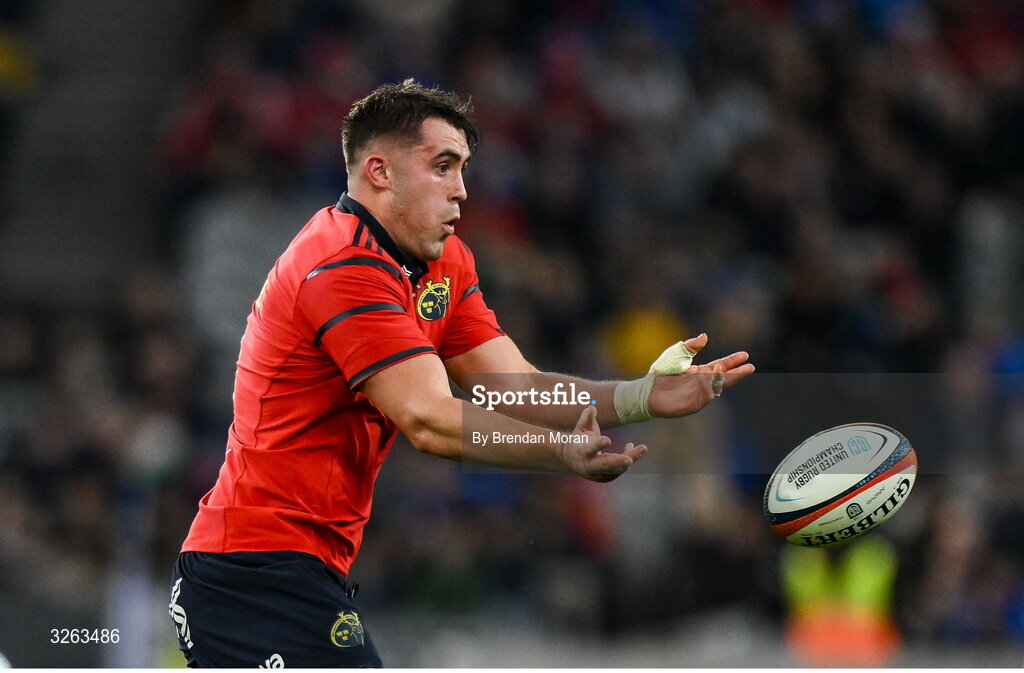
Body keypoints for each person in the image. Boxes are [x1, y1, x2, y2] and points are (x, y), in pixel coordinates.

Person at [168, 79, 754, 668]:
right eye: (442, 166)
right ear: (379, 172)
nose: (462, 190)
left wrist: (641, 396)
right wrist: (558, 453)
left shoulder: (443, 263)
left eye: (463, 169)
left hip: (297, 570)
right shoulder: (339, 265)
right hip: (249, 572)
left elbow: (520, 388)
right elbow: (429, 419)